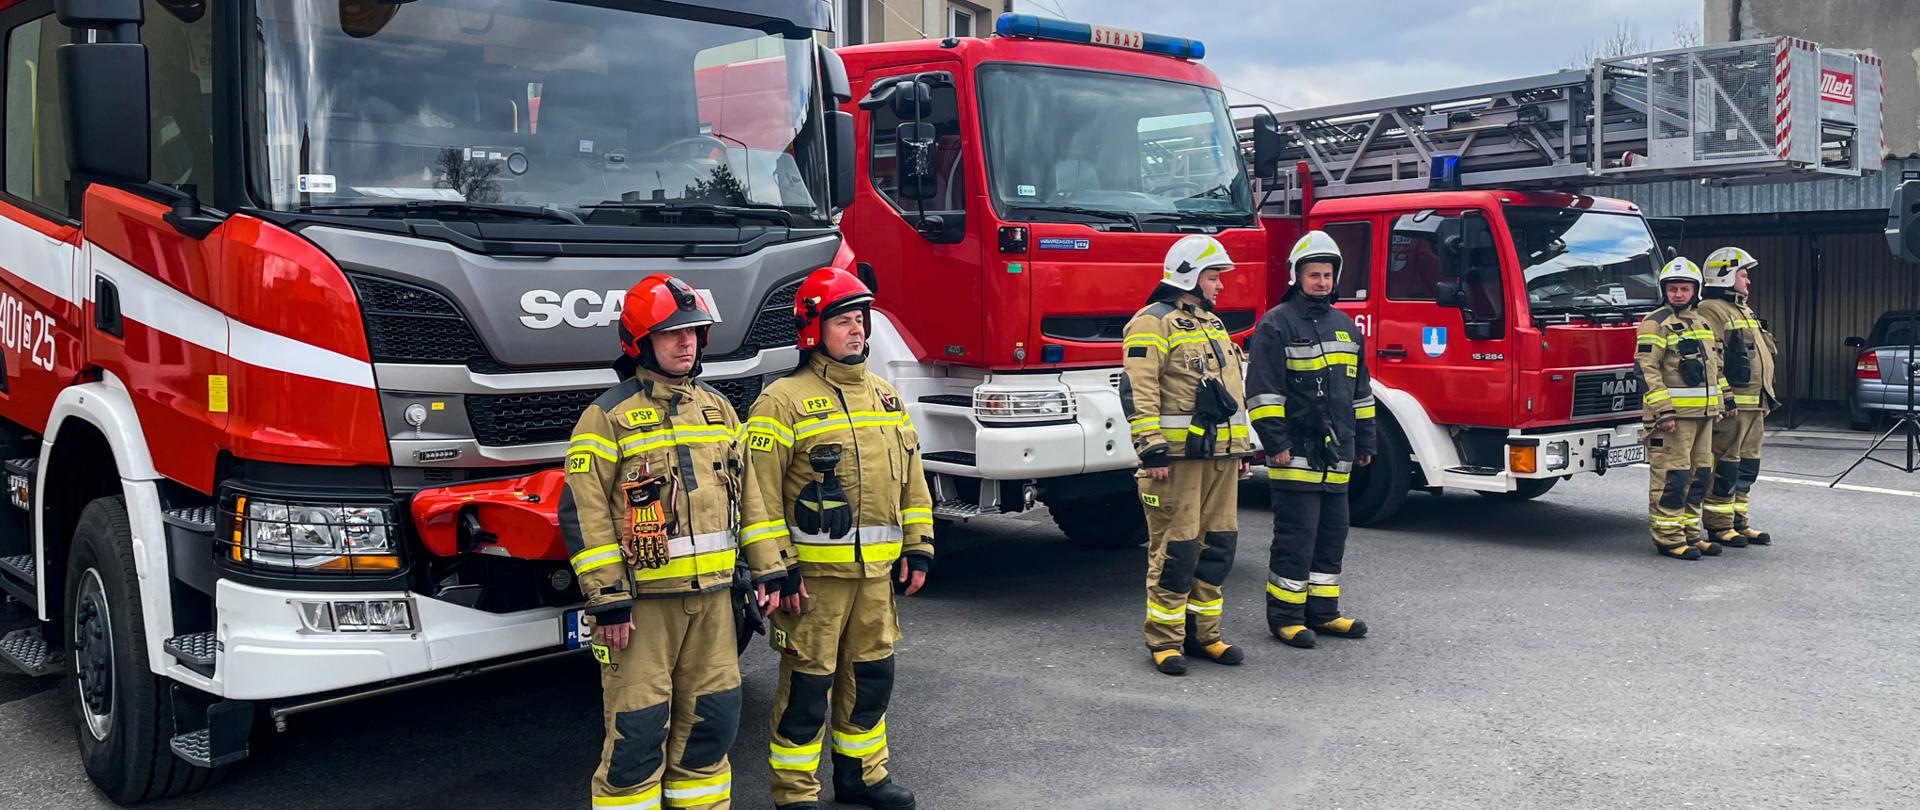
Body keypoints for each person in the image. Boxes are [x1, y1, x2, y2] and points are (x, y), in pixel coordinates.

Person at [740, 267, 934, 810]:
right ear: (812, 329)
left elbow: (912, 480)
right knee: (807, 689)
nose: (857, 330)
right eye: (843, 320)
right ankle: (795, 791)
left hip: (875, 580)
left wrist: (919, 544)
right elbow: (758, 496)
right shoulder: (780, 401)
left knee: (871, 679)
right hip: (813, 584)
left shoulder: (885, 397)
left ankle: (863, 777)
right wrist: (777, 569)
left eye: (860, 319)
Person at [560, 274, 745, 810]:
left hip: (714, 603)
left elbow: (750, 502)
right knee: (636, 737)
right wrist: (608, 600)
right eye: (671, 334)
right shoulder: (606, 417)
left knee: (713, 725)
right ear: (640, 343)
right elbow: (584, 513)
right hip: (642, 609)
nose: (686, 343)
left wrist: (762, 573)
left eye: (693, 332)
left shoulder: (719, 410)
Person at [1120, 234, 1252, 676]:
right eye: (1213, 276)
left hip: (1222, 459)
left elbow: (1233, 393)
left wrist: (1241, 448)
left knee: (1218, 549)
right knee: (1176, 551)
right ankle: (1165, 641)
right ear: (1189, 276)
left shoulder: (1212, 324)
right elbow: (1139, 389)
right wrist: (1151, 449)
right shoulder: (1151, 322)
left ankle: (1204, 635)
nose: (1220, 285)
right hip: (1175, 461)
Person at [1246, 231, 1376, 649]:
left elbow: (1361, 393)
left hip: (1337, 454)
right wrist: (1275, 443)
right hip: (1296, 454)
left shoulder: (1346, 327)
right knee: (1295, 539)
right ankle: (1285, 618)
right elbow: (1263, 393)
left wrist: (1365, 443)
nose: (1322, 282)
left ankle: (1323, 613)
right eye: (1314, 274)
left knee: (1331, 537)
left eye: (1327, 275)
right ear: (1296, 276)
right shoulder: (1275, 324)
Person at [1636, 257, 1728, 560]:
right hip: (1673, 419)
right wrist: (1663, 411)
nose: (1678, 294)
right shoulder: (1655, 322)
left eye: (1684, 288)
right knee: (1672, 478)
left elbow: (1714, 368)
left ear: (1695, 290)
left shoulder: (1701, 322)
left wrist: (1718, 404)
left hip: (1703, 416)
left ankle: (1690, 534)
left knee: (1699, 476)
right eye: (1673, 288)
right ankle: (1668, 538)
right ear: (1664, 290)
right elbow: (1647, 369)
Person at [1698, 247, 1778, 547]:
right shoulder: (1711, 309)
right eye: (1744, 275)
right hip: (1734, 407)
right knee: (1726, 466)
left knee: (1747, 466)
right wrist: (1725, 397)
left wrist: (1766, 399)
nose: (1748, 281)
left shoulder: (1743, 309)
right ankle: (1719, 525)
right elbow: (1712, 358)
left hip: (1755, 404)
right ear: (1726, 276)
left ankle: (1739, 521)